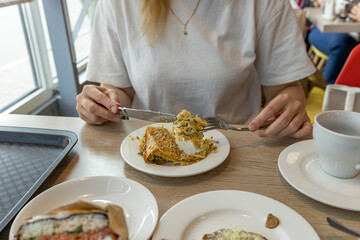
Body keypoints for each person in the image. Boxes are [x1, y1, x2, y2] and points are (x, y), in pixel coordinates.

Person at [76, 0, 316, 138]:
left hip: (237, 147)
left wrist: (291, 107)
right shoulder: (117, 4)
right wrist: (104, 104)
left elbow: (285, 88)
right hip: (147, 149)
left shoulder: (264, 4)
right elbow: (119, 89)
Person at [307, 0, 359, 84]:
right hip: (324, 28)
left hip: (348, 40)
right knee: (342, 44)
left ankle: (329, 88)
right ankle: (329, 88)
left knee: (344, 45)